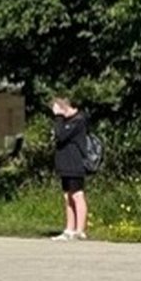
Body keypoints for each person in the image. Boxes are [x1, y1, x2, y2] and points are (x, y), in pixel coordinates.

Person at [51, 97, 89, 241]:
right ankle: (69, 228)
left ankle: (80, 230)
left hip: (75, 163)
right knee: (67, 196)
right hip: (65, 164)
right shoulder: (66, 122)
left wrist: (59, 116)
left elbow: (60, 136)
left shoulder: (78, 121)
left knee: (77, 195)